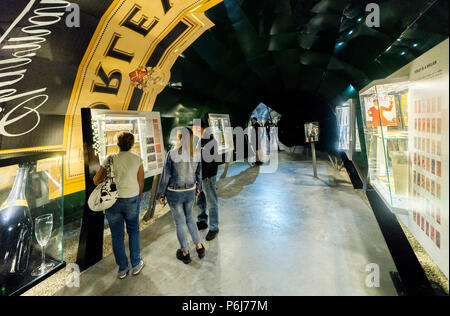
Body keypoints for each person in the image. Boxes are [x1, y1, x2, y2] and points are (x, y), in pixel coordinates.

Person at [93, 131, 145, 280]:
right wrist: (139, 195)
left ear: (117, 144)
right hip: (132, 200)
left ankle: (122, 269)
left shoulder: (109, 158)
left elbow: (96, 180)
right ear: (132, 144)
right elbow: (140, 180)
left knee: (117, 236)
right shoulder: (137, 159)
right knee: (134, 231)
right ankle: (136, 264)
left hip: (113, 201)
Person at [157, 128, 206, 264]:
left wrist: (161, 194)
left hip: (175, 193)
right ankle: (199, 246)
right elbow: (199, 173)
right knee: (190, 218)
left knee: (180, 222)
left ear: (179, 138)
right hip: (190, 191)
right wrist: (199, 187)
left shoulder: (172, 154)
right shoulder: (196, 154)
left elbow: (166, 176)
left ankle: (185, 251)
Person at [194, 120, 220, 241]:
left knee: (211, 202)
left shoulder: (211, 141)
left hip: (208, 177)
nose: (194, 130)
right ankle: (202, 221)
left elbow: (212, 161)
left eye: (196, 128)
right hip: (200, 177)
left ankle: (214, 227)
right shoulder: (200, 141)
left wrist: (205, 176)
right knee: (200, 200)